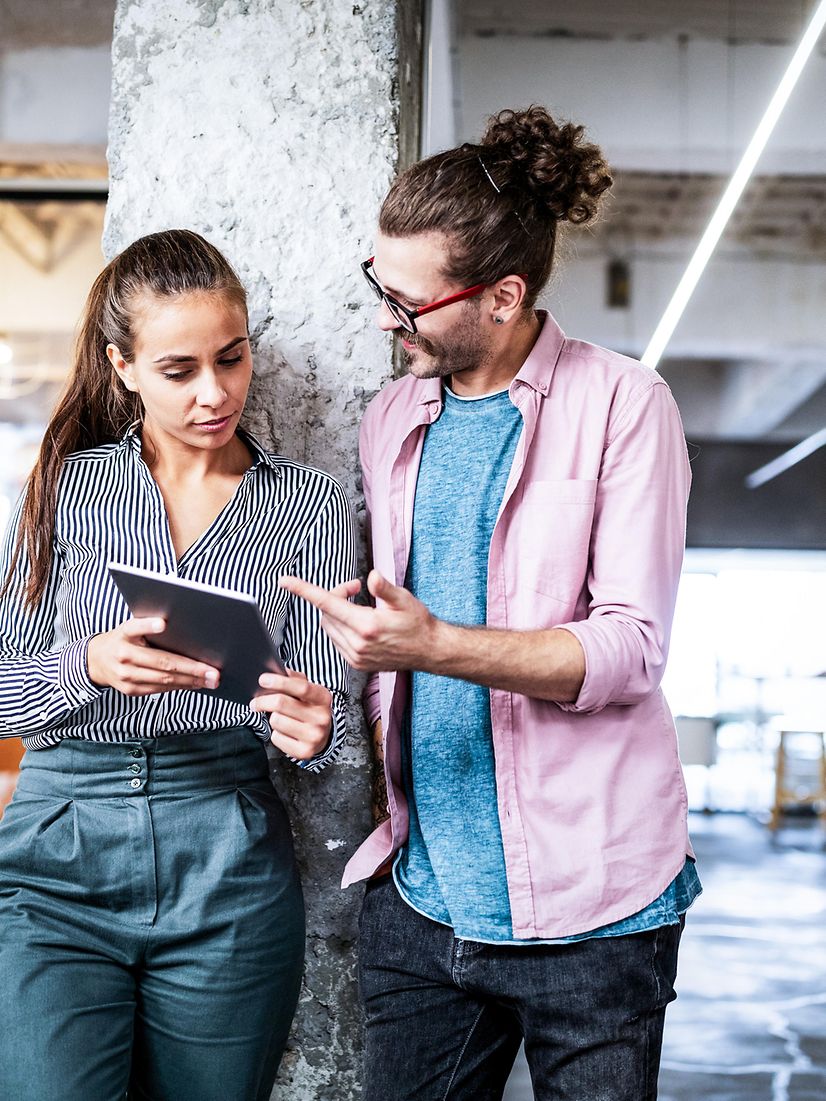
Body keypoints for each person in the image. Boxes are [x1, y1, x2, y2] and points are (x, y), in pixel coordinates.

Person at [281, 106, 701, 1100]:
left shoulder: (625, 405)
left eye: (411, 301)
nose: (388, 317)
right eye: (378, 286)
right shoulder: (393, 417)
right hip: (420, 904)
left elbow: (629, 651)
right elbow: (396, 642)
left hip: (596, 914)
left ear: (504, 296)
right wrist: (326, 700)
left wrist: (433, 644)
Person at [0, 229, 355, 1101]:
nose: (214, 393)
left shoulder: (309, 503)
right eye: (179, 370)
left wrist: (318, 728)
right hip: (58, 850)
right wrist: (83, 664)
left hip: (226, 854)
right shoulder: (62, 486)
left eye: (231, 359)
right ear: (122, 367)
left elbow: (320, 713)